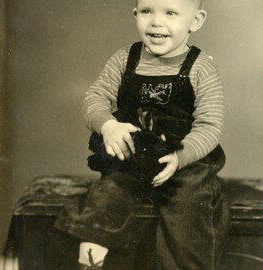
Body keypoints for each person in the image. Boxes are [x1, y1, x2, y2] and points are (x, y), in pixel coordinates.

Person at [55, 0, 229, 269]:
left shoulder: (201, 67)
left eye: (170, 13)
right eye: (147, 11)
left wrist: (180, 158)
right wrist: (108, 126)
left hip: (183, 163)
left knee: (190, 208)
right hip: (134, 157)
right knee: (107, 193)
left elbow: (209, 126)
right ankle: (92, 256)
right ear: (136, 15)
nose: (156, 21)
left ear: (195, 21)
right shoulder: (125, 58)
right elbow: (95, 98)